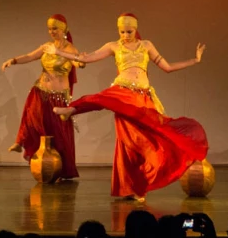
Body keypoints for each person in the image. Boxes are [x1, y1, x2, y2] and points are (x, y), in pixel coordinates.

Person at [47, 13, 208, 200]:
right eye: (122, 32)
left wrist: (194, 60)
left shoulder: (146, 45)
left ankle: (138, 188)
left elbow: (168, 67)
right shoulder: (113, 46)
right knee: (103, 99)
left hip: (143, 97)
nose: (125, 35)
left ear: (136, 29)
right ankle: (71, 109)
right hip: (122, 90)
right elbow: (87, 58)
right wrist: (58, 52)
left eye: (129, 31)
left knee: (142, 141)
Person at [1, 14, 83, 179]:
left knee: (57, 132)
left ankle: (60, 168)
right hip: (40, 90)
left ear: (64, 30)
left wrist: (80, 62)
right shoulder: (47, 46)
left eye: (55, 29)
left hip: (58, 97)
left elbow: (78, 61)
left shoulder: (70, 50)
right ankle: (21, 141)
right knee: (32, 117)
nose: (52, 32)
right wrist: (13, 60)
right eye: (50, 29)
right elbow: (30, 56)